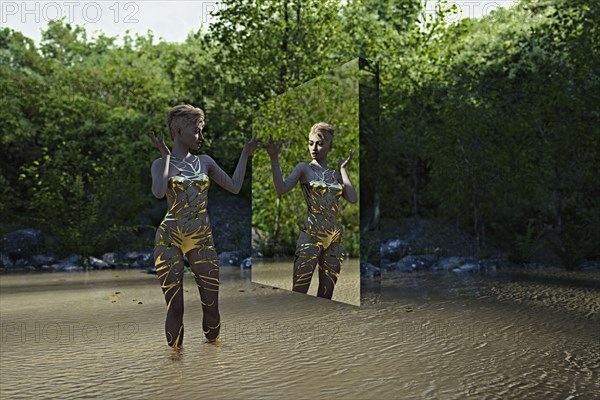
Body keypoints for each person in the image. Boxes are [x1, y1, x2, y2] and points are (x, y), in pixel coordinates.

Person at [149, 104, 258, 348]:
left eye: (201, 130)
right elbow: (158, 192)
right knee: (175, 307)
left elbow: (234, 186)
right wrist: (166, 156)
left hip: (202, 239)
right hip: (169, 239)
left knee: (211, 307)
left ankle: (211, 365)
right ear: (178, 131)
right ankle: (175, 369)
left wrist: (245, 154)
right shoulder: (160, 163)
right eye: (197, 131)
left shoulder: (205, 162)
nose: (201, 136)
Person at [265, 122, 357, 299]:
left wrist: (343, 169)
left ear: (329, 145)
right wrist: (274, 159)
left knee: (326, 295)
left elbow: (352, 198)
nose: (314, 148)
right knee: (299, 293)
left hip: (335, 238)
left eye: (319, 143)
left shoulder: (335, 175)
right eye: (310, 143)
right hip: (311, 235)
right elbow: (281, 189)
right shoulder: (304, 168)